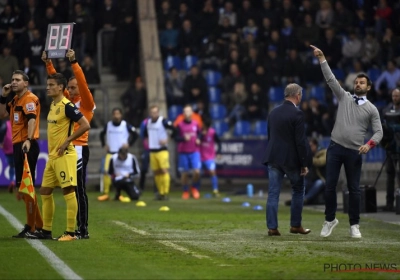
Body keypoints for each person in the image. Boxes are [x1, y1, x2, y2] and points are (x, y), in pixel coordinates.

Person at [310, 45, 383, 239]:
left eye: (362, 83)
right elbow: (330, 79)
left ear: (368, 87)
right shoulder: (344, 97)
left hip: (354, 151)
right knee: (330, 186)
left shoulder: (372, 109)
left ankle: (354, 225)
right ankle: (330, 220)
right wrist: (322, 59)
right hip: (334, 147)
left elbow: (379, 132)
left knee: (354, 189)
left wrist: (369, 145)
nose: (358, 84)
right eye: (356, 82)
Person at [42, 49, 95, 239]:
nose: (70, 91)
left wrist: (74, 62)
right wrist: (49, 63)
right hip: (67, 148)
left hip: (78, 148)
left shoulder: (86, 103)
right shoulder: (67, 102)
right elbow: (57, 84)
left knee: (78, 189)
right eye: (69, 88)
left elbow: (81, 82)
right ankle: (71, 229)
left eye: (73, 88)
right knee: (70, 189)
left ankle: (82, 229)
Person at [33, 73, 90, 241]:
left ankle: (71, 232)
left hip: (64, 155)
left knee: (68, 190)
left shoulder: (67, 106)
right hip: (52, 156)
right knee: (44, 191)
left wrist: (67, 141)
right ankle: (46, 230)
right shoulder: (52, 104)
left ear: (60, 88)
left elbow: (86, 124)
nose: (47, 87)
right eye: (47, 84)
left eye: (51, 85)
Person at [263, 83, 311, 236]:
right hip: (291, 160)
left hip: (273, 157)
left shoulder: (273, 113)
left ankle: (272, 228)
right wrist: (304, 163)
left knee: (273, 193)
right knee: (298, 190)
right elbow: (300, 141)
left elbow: (270, 136)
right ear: (297, 95)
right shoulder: (297, 114)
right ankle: (295, 225)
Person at [0, 70, 43, 238]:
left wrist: (29, 140)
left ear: (26, 83)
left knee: (27, 187)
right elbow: (2, 114)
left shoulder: (29, 99)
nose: (14, 82)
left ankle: (32, 227)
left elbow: (32, 119)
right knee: (23, 188)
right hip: (19, 146)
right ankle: (37, 225)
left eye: (18, 79)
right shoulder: (16, 100)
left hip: (27, 145)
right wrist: (3, 97)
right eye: (12, 80)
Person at [98, 108, 138, 201]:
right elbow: (101, 134)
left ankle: (120, 193)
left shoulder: (125, 125)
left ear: (121, 115)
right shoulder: (108, 125)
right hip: (111, 152)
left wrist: (129, 144)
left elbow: (135, 134)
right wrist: (104, 144)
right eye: (114, 114)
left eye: (118, 114)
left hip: (122, 154)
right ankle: (106, 193)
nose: (116, 116)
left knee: (121, 174)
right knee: (106, 173)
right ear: (112, 115)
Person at [144, 105, 175, 200]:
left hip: (162, 150)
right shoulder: (148, 122)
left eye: (155, 112)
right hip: (153, 150)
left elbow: (174, 130)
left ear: (158, 113)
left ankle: (165, 192)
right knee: (156, 172)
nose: (154, 114)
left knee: (164, 170)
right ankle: (160, 192)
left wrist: (167, 139)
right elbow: (145, 134)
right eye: (152, 112)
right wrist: (147, 141)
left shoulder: (163, 121)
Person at [285, 138, 327, 206]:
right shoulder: (308, 154)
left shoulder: (324, 152)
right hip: (309, 178)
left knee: (318, 183)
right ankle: (297, 199)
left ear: (315, 145)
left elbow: (320, 162)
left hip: (321, 179)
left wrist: (308, 158)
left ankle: (305, 199)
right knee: (301, 182)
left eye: (310, 146)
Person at [175, 105, 202, 200]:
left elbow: (200, 134)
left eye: (188, 111)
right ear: (183, 114)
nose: (187, 113)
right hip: (183, 151)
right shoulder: (180, 125)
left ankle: (194, 187)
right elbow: (176, 138)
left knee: (197, 172)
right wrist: (183, 138)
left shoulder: (196, 123)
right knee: (184, 173)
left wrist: (198, 139)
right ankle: (185, 191)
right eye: (185, 111)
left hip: (194, 151)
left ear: (191, 113)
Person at [382, 88, 400, 211]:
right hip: (391, 146)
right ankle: (389, 203)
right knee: (390, 175)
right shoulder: (387, 110)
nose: (395, 98)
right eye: (393, 96)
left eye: (397, 96)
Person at [200, 118, 221, 197]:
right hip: (200, 156)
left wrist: (219, 152)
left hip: (210, 157)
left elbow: (219, 142)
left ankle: (215, 190)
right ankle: (196, 189)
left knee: (212, 172)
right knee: (198, 174)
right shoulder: (199, 132)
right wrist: (201, 135)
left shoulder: (212, 132)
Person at [1, 120, 15, 192]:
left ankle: (12, 180)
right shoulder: (18, 123)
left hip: (8, 148)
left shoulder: (6, 124)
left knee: (11, 166)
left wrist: (1, 142)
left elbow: (1, 132)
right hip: (16, 147)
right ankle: (15, 182)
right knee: (16, 166)